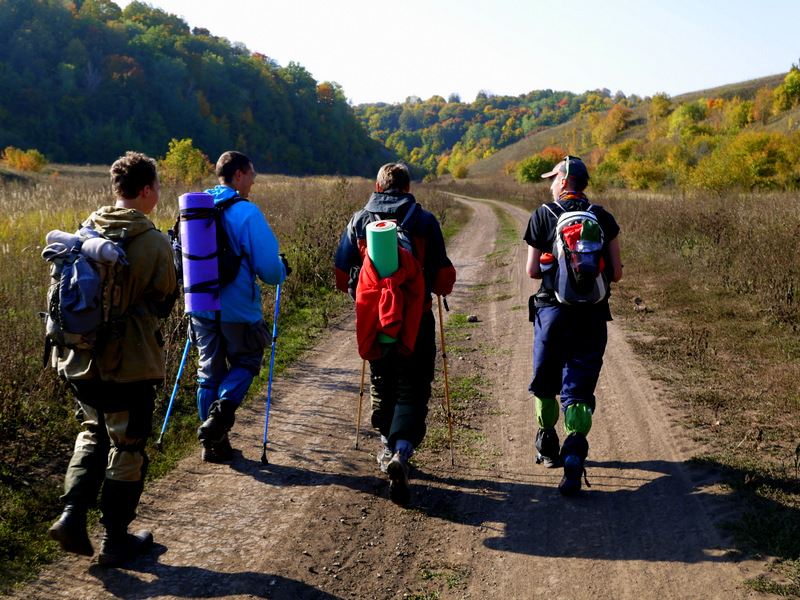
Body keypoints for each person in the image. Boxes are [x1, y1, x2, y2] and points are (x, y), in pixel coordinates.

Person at [48, 152, 178, 565]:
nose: (158, 194)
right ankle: (116, 539)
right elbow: (164, 303)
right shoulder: (154, 242)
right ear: (145, 190)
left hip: (79, 360)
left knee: (91, 431)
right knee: (127, 445)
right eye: (156, 186)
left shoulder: (83, 232)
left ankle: (71, 515)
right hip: (129, 366)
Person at [334, 162, 456, 506]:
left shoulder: (359, 221)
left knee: (382, 382)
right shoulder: (424, 220)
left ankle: (387, 446)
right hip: (416, 320)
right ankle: (402, 450)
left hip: (375, 321)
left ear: (377, 185)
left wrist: (364, 291)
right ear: (407, 187)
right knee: (414, 385)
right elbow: (444, 280)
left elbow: (341, 276)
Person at [523, 156, 622, 496]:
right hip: (593, 317)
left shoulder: (543, 214)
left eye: (553, 179)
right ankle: (575, 451)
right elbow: (618, 273)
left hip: (552, 313)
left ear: (565, 182)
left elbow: (532, 272)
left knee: (547, 383)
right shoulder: (603, 217)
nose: (550, 184)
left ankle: (547, 442)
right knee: (578, 390)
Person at [190, 151, 287, 462]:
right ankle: (219, 417)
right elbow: (270, 271)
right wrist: (282, 269)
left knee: (209, 373)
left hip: (200, 302)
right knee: (246, 361)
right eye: (252, 173)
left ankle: (213, 444)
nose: (254, 179)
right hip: (237, 307)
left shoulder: (194, 209)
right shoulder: (246, 212)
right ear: (239, 175)